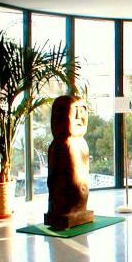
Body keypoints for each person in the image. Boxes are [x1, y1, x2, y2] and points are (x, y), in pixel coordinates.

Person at [45, 95, 94, 229]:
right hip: (63, 200)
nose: (79, 117)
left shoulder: (82, 143)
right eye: (75, 111)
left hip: (81, 197)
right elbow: (53, 175)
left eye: (82, 111)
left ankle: (79, 210)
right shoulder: (60, 145)